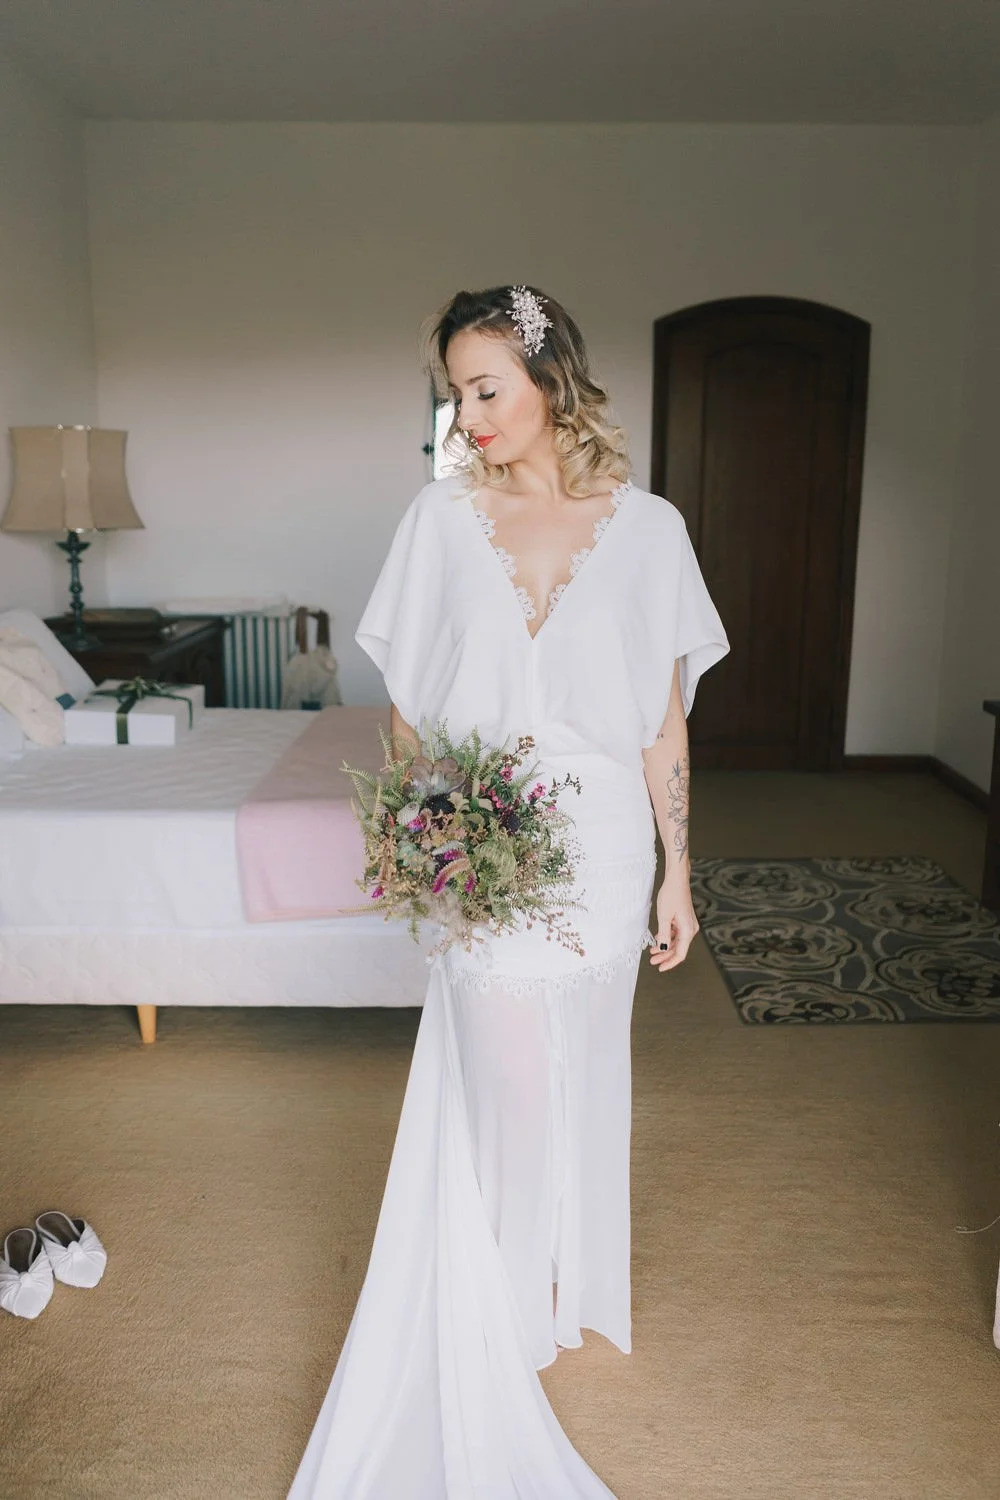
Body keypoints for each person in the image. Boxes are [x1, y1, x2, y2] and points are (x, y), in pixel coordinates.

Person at [287, 286, 730, 1499]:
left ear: (550, 377)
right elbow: (413, 707)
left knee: (580, 1063)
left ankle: (543, 1285)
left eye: (484, 387)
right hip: (487, 839)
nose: (465, 412)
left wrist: (677, 866)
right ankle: (481, 1315)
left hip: (602, 851)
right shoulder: (438, 522)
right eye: (452, 392)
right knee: (507, 1083)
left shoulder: (650, 530)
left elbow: (661, 718)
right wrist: (430, 828)